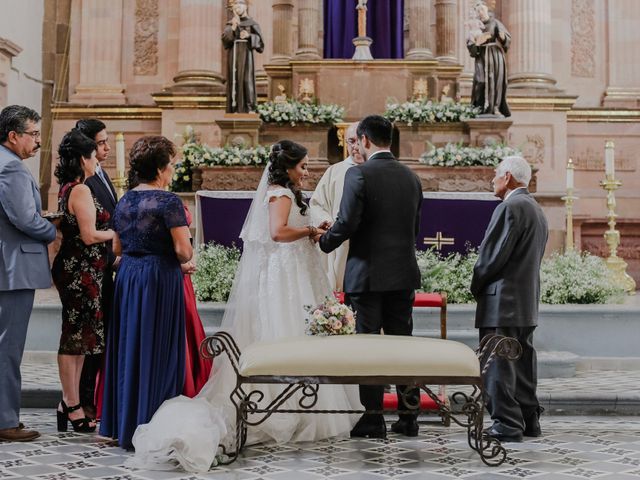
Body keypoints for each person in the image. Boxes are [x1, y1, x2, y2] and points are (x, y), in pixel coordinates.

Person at [127, 140, 358, 473]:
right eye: (303, 166)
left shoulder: (287, 192)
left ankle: (303, 405)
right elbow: (277, 233)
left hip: (297, 271)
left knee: (301, 332)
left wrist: (310, 229)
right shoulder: (279, 192)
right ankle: (282, 408)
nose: (307, 173)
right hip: (286, 276)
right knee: (285, 330)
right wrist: (309, 229)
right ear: (288, 166)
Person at [318, 115, 423, 439]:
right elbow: (414, 227)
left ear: (363, 140)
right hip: (403, 274)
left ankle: (373, 417)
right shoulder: (411, 177)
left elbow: (347, 223)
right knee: (402, 346)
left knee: (368, 346)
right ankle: (408, 417)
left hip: (366, 276)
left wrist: (324, 242)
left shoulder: (358, 175)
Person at [99, 136, 193, 449]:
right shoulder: (168, 202)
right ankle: (155, 424)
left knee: (130, 345)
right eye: (171, 164)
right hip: (158, 278)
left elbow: (116, 248)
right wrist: (182, 258)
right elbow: (184, 251)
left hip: (128, 277)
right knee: (160, 347)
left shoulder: (124, 201)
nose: (173, 170)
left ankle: (126, 425)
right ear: (160, 168)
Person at [471, 155, 548, 443]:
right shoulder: (535, 208)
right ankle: (529, 421)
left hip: (501, 302)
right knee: (523, 365)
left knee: (498, 366)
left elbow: (492, 257)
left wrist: (476, 284)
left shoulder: (510, 207)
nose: (492, 179)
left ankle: (506, 424)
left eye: (495, 174)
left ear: (508, 177)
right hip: (525, 302)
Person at [51, 129, 115, 432]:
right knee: (74, 336)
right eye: (91, 156)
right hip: (80, 271)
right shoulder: (79, 190)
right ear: (82, 159)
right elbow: (90, 235)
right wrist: (117, 234)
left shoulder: (70, 187)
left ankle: (70, 403)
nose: (95, 162)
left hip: (84, 268)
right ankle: (71, 404)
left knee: (80, 338)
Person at [0, 105, 57, 442]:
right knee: (9, 347)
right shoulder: (13, 170)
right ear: (13, 135)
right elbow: (24, 219)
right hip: (13, 269)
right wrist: (53, 230)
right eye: (33, 134)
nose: (37, 141)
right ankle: (6, 420)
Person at [74, 118, 117, 420]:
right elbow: (91, 229)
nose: (107, 147)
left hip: (105, 263)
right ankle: (84, 400)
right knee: (91, 336)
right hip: (91, 267)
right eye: (101, 142)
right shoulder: (83, 182)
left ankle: (93, 397)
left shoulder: (100, 174)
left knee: (100, 335)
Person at [310, 122, 364, 291]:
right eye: (351, 141)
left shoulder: (377, 171)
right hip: (340, 239)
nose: (355, 146)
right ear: (345, 143)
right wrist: (329, 222)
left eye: (359, 141)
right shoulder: (335, 171)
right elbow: (317, 204)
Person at [181, 205, 212, 398]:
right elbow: (184, 251)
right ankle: (186, 380)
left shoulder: (128, 203)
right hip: (172, 270)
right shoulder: (170, 204)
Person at [467, 0, 511, 117]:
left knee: (495, 81)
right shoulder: (475, 26)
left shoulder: (495, 23)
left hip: (494, 55)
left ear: (487, 10)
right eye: (478, 11)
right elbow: (470, 44)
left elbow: (506, 38)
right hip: (481, 56)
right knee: (480, 80)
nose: (480, 12)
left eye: (482, 9)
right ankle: (480, 108)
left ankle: (495, 108)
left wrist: (503, 37)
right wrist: (476, 43)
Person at [222, 0, 264, 113]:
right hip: (234, 55)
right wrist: (234, 28)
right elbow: (225, 41)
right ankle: (234, 108)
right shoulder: (231, 24)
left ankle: (249, 107)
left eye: (239, 4)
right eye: (235, 4)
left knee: (247, 80)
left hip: (246, 55)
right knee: (234, 80)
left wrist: (250, 36)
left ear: (245, 6)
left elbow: (260, 44)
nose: (237, 6)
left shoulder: (252, 23)